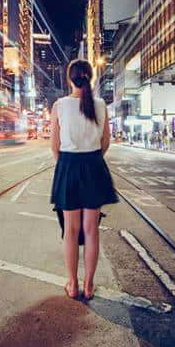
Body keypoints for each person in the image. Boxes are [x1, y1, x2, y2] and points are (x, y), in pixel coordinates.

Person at [50, 59, 118, 300]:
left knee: (70, 230)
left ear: (70, 79)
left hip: (68, 165)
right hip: (93, 165)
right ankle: (89, 285)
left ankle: (73, 283)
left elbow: (54, 146)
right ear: (90, 77)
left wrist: (67, 165)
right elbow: (106, 142)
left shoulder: (60, 105)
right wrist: (92, 160)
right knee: (92, 231)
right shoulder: (100, 105)